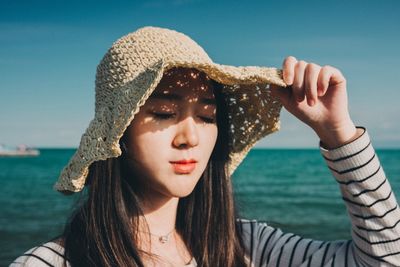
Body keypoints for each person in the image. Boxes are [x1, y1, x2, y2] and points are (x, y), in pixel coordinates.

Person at [10, 26, 400, 267]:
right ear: (117, 133)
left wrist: (339, 133)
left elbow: (386, 258)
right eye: (163, 112)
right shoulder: (50, 263)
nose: (190, 136)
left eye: (208, 116)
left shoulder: (244, 246)